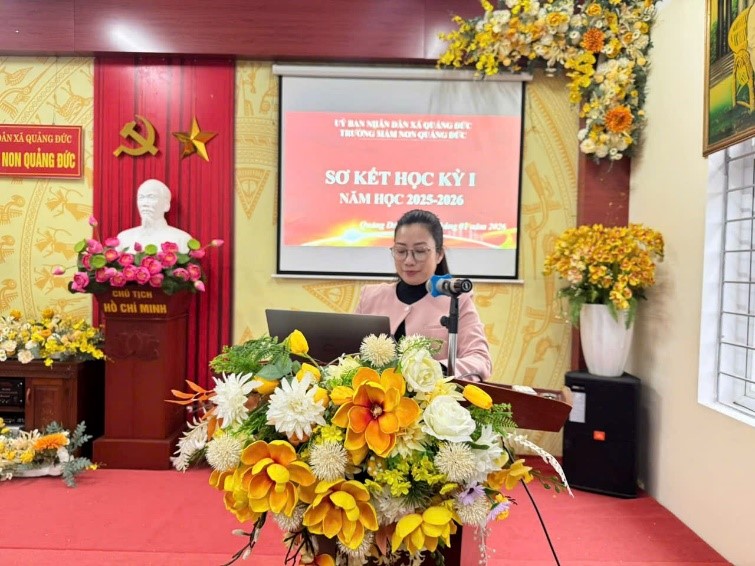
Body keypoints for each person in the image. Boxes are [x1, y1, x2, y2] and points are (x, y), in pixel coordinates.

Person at [355, 209, 492, 381]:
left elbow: (480, 359)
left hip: (432, 396)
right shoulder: (370, 297)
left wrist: (435, 369)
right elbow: (349, 356)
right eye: (401, 251)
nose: (409, 261)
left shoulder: (456, 299)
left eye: (420, 251)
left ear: (439, 254)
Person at [116, 179, 193, 253]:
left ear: (166, 204)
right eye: (141, 197)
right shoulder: (124, 238)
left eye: (151, 197)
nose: (144, 204)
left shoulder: (182, 239)